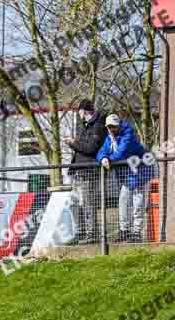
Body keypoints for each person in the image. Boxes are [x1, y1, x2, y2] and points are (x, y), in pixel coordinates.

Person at [96, 114, 153, 243]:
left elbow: (122, 153)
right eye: (109, 127)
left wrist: (109, 158)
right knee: (123, 200)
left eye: (113, 127)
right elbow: (101, 152)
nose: (111, 129)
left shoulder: (128, 136)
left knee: (138, 202)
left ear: (119, 126)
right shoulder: (109, 138)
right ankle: (124, 230)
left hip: (141, 171)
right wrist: (103, 158)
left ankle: (137, 232)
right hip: (128, 174)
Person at [64, 99, 108, 244]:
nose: (79, 114)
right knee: (74, 202)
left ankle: (91, 233)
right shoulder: (86, 125)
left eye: (80, 112)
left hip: (88, 171)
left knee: (88, 203)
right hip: (78, 171)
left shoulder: (98, 126)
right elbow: (83, 146)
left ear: (83, 111)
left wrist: (73, 143)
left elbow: (90, 149)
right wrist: (75, 143)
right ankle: (80, 232)